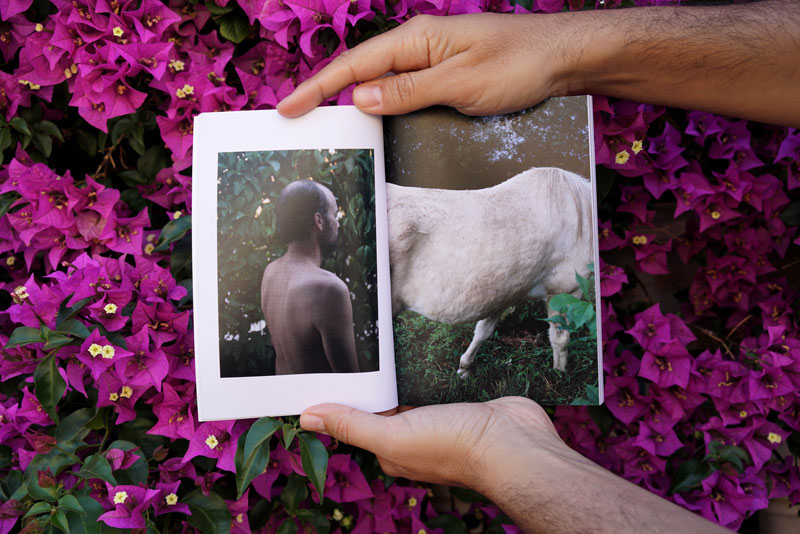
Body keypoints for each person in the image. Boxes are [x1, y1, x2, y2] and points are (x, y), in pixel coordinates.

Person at [277, 2, 799, 532]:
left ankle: (475, 355)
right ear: (319, 223)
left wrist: (563, 49)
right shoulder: (324, 288)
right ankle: (548, 363)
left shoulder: (282, 279)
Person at [261, 180, 360, 375]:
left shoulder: (270, 272)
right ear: (319, 220)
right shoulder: (327, 288)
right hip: (323, 404)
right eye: (334, 213)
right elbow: (349, 378)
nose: (337, 222)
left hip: (287, 399)